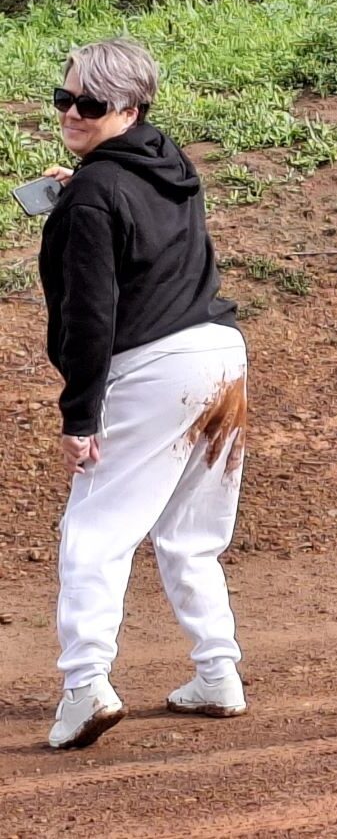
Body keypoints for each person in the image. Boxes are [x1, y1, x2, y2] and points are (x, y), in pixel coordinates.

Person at [38, 39, 249, 750]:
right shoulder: (166, 161)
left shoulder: (97, 192)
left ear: (128, 107)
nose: (72, 112)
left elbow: (90, 314)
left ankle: (85, 686)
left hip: (156, 367)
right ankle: (218, 672)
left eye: (90, 104)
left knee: (94, 531)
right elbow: (139, 226)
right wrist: (81, 199)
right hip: (221, 357)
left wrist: (80, 413)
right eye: (65, 98)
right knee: (191, 533)